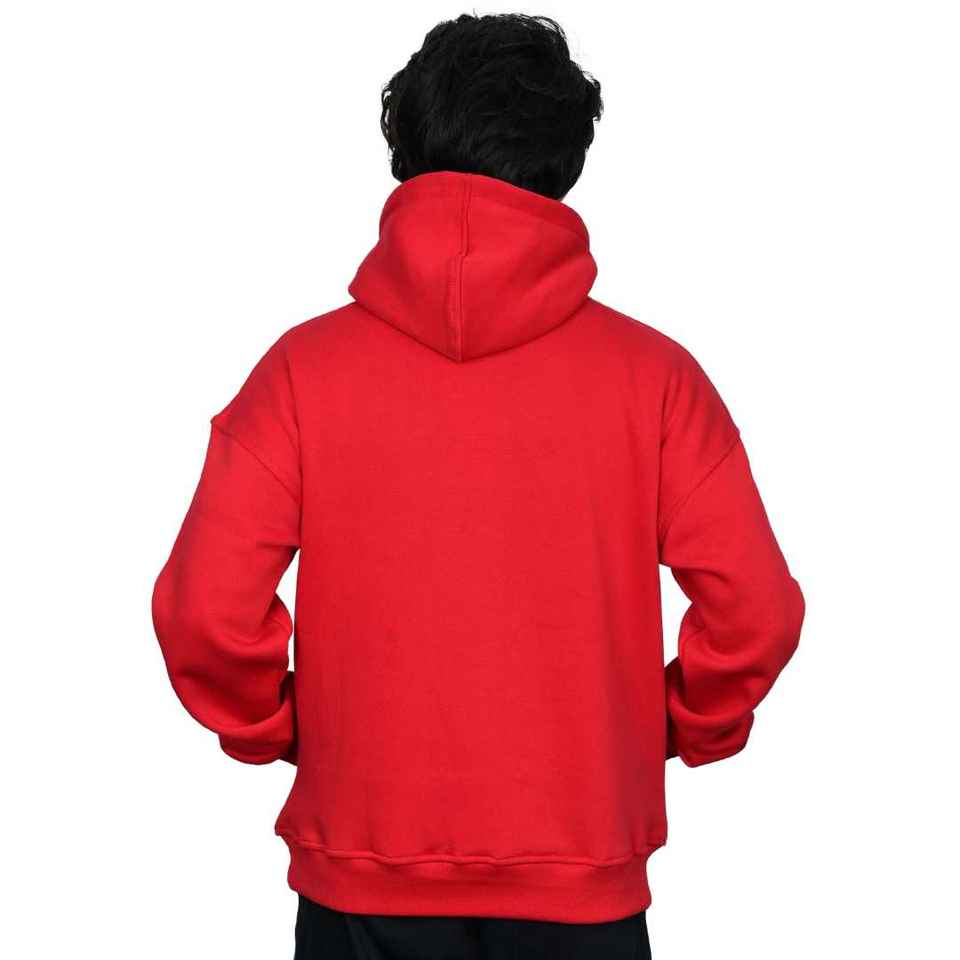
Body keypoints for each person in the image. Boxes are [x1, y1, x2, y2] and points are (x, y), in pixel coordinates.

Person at [152, 13, 804, 959]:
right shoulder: (656, 380)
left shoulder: (300, 373)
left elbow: (205, 611)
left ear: (406, 152)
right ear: (564, 162)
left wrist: (275, 728)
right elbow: (756, 614)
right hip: (581, 875)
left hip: (361, 871)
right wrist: (674, 726)